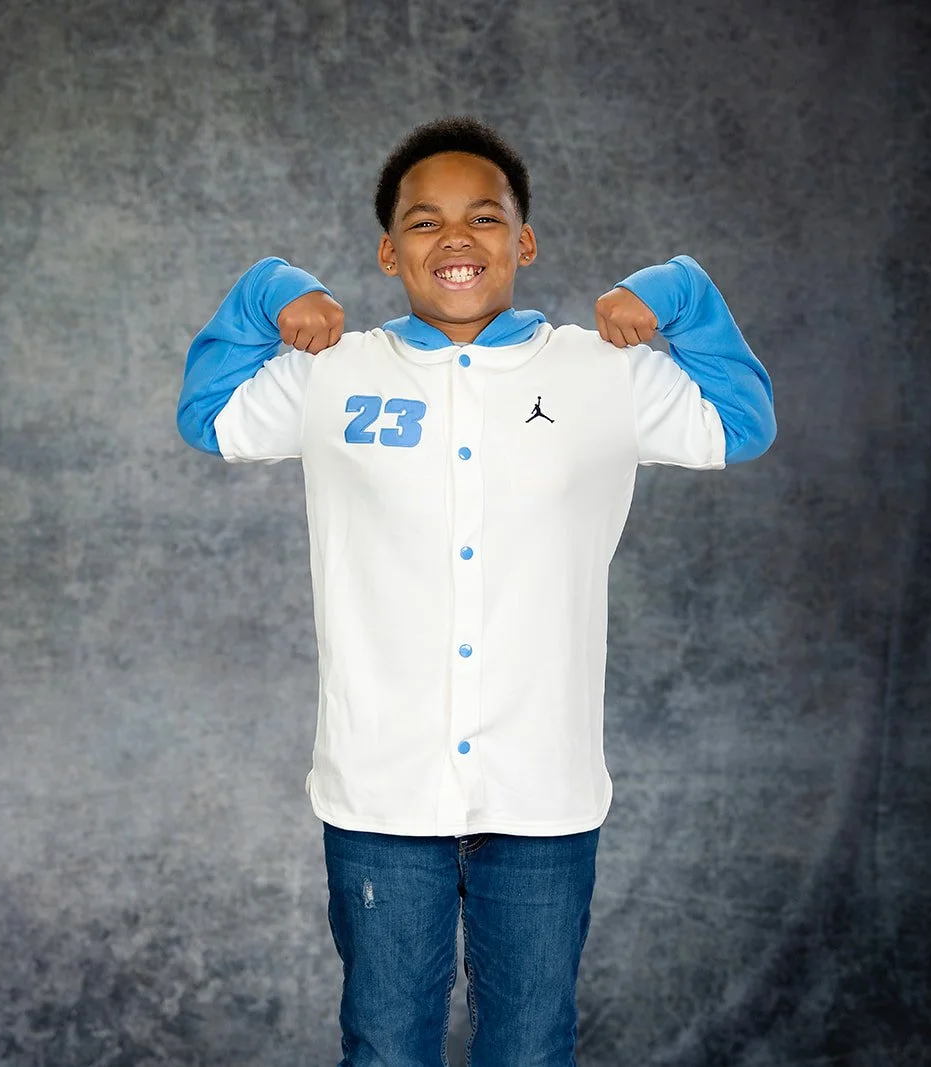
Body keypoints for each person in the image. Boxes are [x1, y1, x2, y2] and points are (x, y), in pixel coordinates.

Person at [176, 116, 775, 1067]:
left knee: (532, 1048)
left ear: (523, 242)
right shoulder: (336, 373)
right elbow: (206, 415)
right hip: (381, 791)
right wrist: (266, 290)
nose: (455, 238)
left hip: (541, 791)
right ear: (388, 251)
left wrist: (680, 290)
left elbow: (740, 424)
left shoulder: (603, 370)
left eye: (484, 217)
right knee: (384, 1046)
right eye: (423, 222)